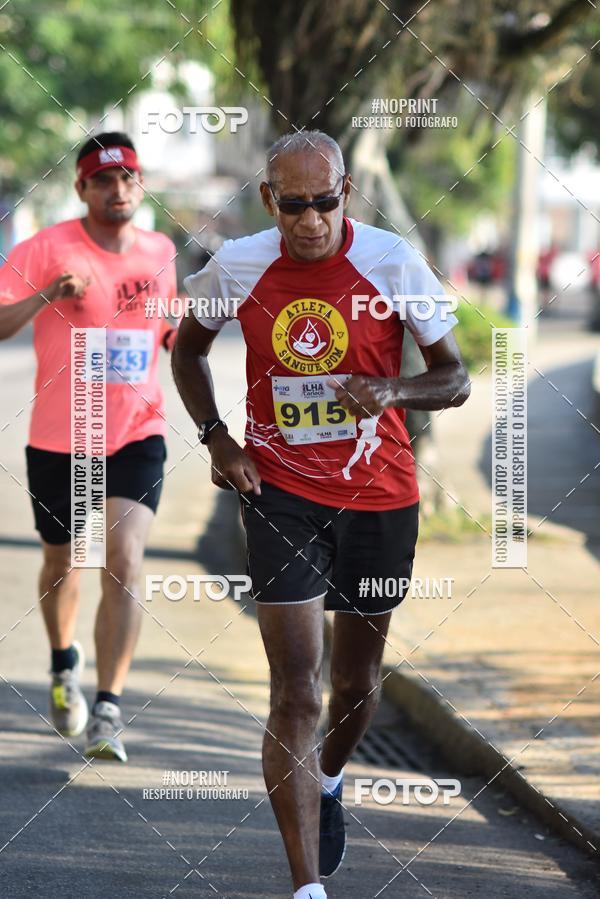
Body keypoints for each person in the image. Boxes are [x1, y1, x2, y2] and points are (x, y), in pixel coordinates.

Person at [172, 130, 470, 899]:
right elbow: (187, 348)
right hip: (281, 493)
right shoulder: (237, 263)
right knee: (295, 690)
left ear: (347, 193)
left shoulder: (393, 262)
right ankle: (307, 887)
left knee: (356, 680)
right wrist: (217, 438)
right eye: (293, 204)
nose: (310, 220)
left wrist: (393, 391)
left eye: (324, 201)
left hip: (380, 494)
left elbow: (456, 377)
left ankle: (330, 775)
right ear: (270, 200)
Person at [0, 132, 177, 762]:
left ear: (140, 183)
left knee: (123, 559)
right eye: (103, 179)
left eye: (128, 176)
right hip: (62, 437)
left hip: (136, 432)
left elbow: (168, 335)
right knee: (64, 563)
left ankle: (108, 708)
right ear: (82, 188)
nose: (118, 188)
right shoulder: (45, 248)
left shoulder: (160, 250)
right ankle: (61, 663)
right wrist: (48, 294)